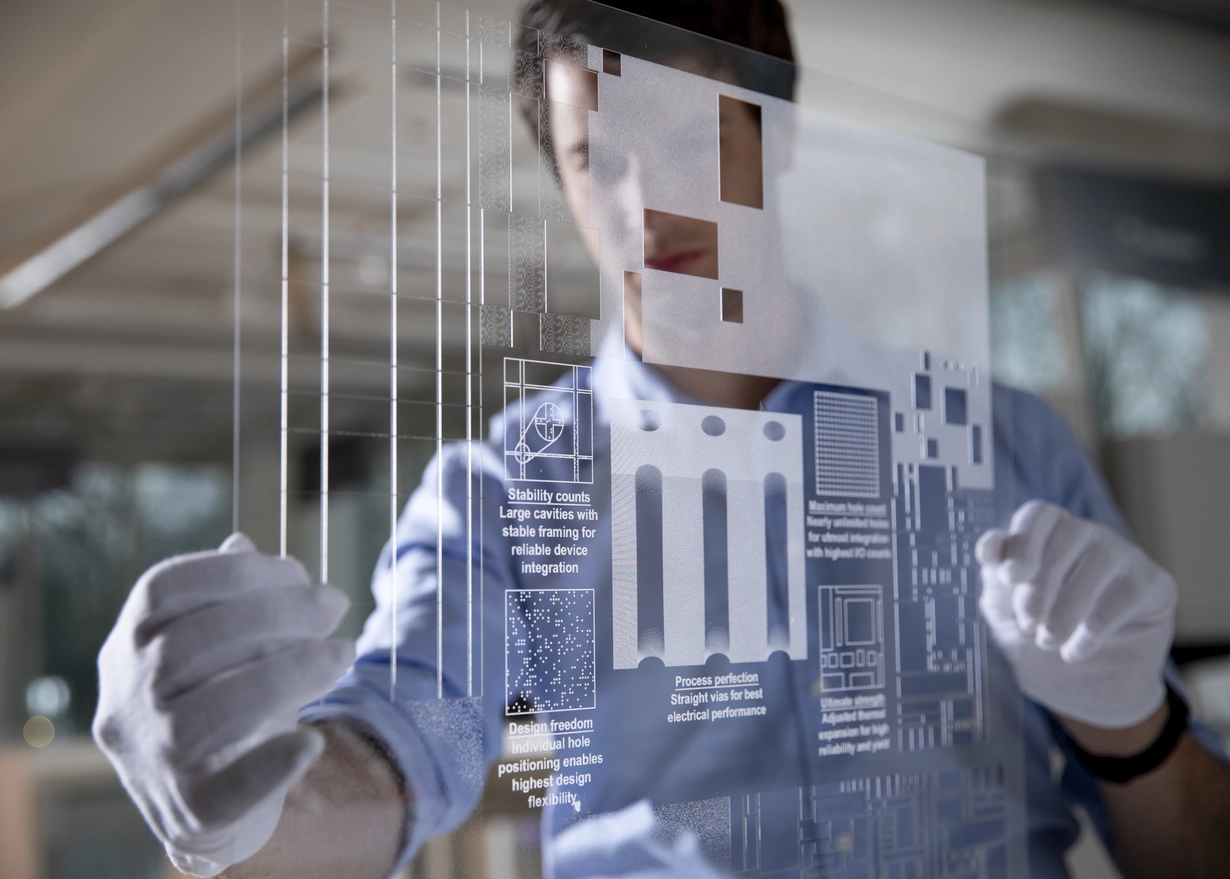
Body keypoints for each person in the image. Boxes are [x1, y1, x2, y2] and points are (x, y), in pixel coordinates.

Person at [91, 1, 1230, 877]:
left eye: (688, 141)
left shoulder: (1001, 443)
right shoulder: (501, 494)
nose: (647, 208)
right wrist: (241, 812)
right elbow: (396, 749)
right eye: (602, 158)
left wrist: (1128, 725)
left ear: (777, 136)